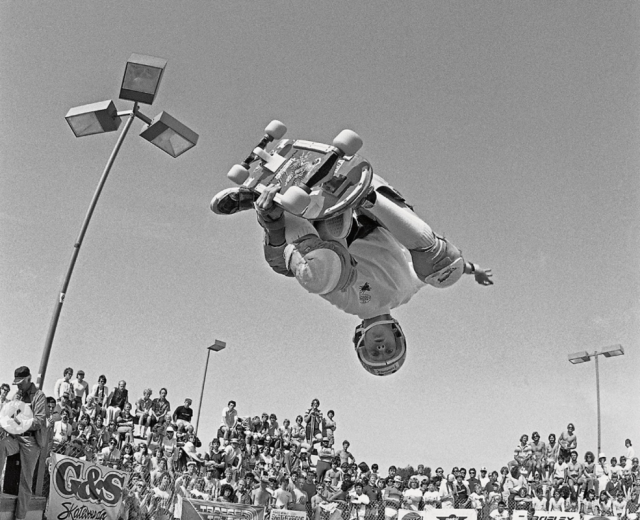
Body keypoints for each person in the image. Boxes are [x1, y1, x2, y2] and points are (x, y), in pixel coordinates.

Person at [210, 170, 493, 377]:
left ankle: (270, 207)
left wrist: (283, 231)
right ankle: (364, 196)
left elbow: (316, 273)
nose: (381, 348)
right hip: (370, 210)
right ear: (398, 335)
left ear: (360, 342)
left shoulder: (349, 303)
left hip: (327, 235)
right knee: (445, 268)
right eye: (388, 350)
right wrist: (471, 269)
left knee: (309, 275)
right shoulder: (406, 290)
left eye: (374, 352)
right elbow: (438, 271)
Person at [0, 366, 47, 520]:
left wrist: (19, 421)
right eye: (16, 383)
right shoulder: (17, 395)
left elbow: (38, 421)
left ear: (29, 379)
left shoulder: (39, 396)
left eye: (20, 382)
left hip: (31, 441)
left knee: (26, 481)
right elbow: (8, 414)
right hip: (15, 437)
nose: (18, 386)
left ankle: (19, 517)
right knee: (1, 445)